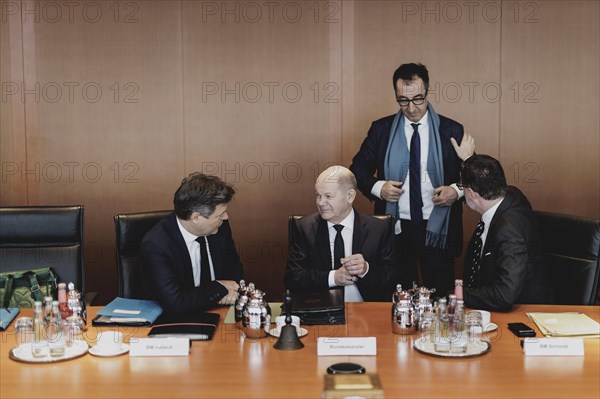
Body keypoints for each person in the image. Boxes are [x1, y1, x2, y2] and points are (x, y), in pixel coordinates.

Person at [350, 62, 474, 295]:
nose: (411, 107)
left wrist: (455, 191)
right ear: (396, 96)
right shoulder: (381, 129)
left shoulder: (451, 130)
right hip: (395, 229)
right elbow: (357, 169)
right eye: (403, 100)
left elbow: (473, 176)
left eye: (418, 98)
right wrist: (379, 187)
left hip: (438, 230)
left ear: (427, 91)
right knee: (398, 298)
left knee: (438, 300)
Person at [285, 166, 399, 302]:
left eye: (328, 196)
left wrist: (366, 270)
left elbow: (393, 279)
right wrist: (333, 278)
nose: (321, 203)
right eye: (317, 195)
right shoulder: (304, 227)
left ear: (349, 196)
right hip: (321, 310)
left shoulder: (379, 228)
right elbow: (292, 278)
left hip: (367, 311)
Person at [460, 155, 552, 310]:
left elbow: (505, 295)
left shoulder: (509, 231)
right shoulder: (511, 195)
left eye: (461, 187)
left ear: (471, 193)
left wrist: (458, 294)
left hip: (523, 313)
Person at [141, 173, 243, 313]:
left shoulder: (220, 227)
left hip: (219, 313)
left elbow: (235, 273)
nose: (226, 217)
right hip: (174, 323)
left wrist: (227, 291)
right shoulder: (156, 245)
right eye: (220, 214)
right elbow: (176, 302)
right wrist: (219, 290)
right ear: (195, 217)